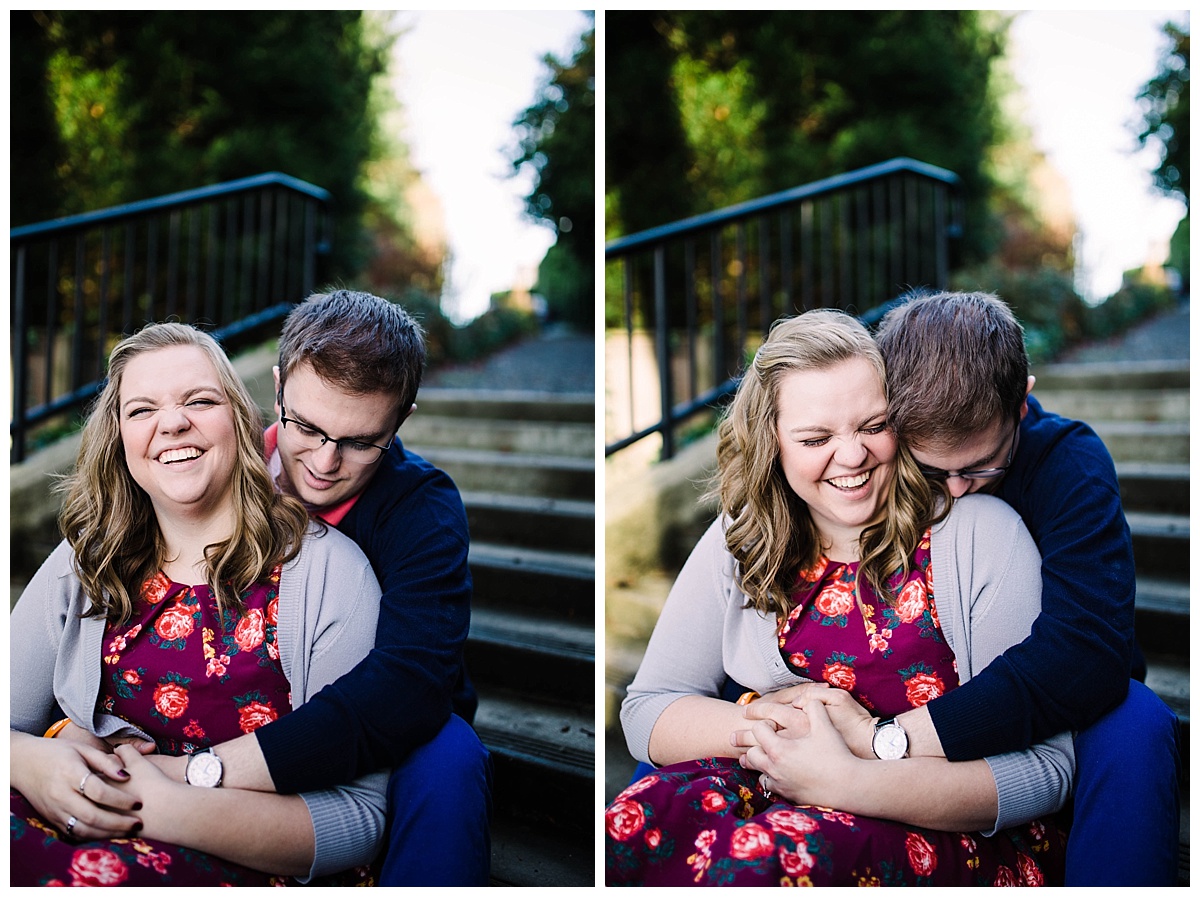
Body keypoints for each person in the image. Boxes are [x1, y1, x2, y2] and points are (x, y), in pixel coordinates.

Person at [606, 309, 1072, 885]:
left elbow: (1046, 771)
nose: (851, 457)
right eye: (815, 438)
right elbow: (648, 707)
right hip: (777, 790)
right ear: (771, 443)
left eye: (873, 426)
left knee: (759, 864)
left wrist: (846, 776)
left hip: (942, 825)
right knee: (628, 827)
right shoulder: (744, 533)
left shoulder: (981, 533)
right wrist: (766, 726)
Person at [54, 291, 493, 885]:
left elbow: (410, 685)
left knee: (449, 757)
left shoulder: (423, 509)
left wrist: (195, 774)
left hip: (384, 718)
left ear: (401, 420)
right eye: (306, 427)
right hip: (230, 709)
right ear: (280, 387)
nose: (325, 461)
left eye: (361, 441)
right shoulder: (219, 467)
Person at [11, 323, 389, 885]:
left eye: (199, 400)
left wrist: (154, 806)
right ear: (119, 437)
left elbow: (357, 818)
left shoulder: (332, 573)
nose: (172, 422)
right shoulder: (87, 558)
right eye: (142, 410)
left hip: (236, 857)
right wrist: (31, 762)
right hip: (68, 818)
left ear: (239, 419)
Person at [869, 289, 1180, 886]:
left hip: (1046, 701)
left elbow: (1088, 655)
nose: (956, 490)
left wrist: (892, 739)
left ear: (1022, 403)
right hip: (915, 680)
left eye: (981, 466)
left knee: (1137, 723)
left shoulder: (1070, 461)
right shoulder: (874, 462)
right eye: (932, 472)